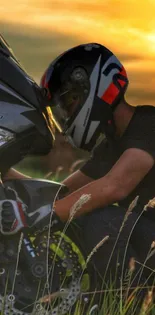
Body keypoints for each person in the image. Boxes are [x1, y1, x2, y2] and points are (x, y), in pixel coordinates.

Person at [2, 43, 155, 295]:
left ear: (95, 86)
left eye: (70, 101)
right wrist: (7, 175)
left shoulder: (148, 124)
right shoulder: (112, 145)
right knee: (82, 212)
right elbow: (63, 193)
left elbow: (114, 187)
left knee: (101, 219)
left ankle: (130, 308)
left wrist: (41, 218)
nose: (66, 114)